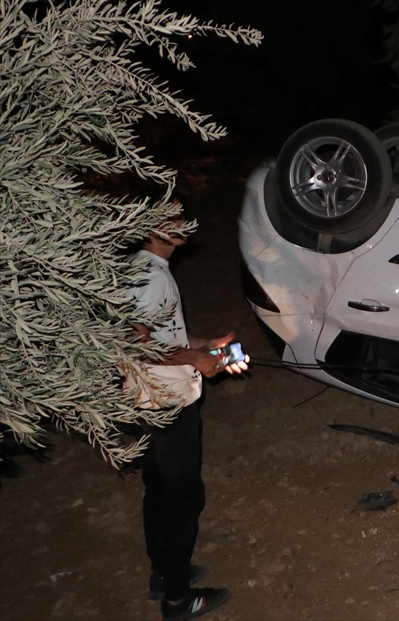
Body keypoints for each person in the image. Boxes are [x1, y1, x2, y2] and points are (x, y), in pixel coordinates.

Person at [127, 214, 248, 620]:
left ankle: (165, 574)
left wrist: (205, 345)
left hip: (147, 400)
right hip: (167, 404)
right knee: (183, 498)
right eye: (172, 215)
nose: (184, 222)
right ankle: (178, 600)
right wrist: (196, 359)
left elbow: (163, 337)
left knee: (159, 490)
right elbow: (136, 344)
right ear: (149, 223)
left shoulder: (145, 268)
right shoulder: (151, 277)